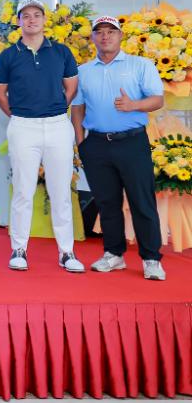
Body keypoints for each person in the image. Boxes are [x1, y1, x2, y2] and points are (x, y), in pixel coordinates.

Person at [70, 16, 166, 281]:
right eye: (99, 32)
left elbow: (157, 99)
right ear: (92, 37)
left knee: (141, 201)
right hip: (96, 144)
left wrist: (133, 105)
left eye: (111, 31)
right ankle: (113, 254)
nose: (105, 36)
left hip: (132, 142)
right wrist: (81, 142)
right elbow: (77, 107)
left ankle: (151, 259)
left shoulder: (140, 65)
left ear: (121, 36)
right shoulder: (83, 71)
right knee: (106, 202)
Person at [0, 0, 83, 273]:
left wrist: (53, 108)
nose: (31, 20)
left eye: (36, 15)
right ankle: (19, 249)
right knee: (23, 190)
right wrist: (20, 114)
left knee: (60, 191)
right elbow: (0, 94)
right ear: (18, 22)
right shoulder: (8, 56)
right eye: (26, 16)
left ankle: (66, 252)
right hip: (23, 126)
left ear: (44, 20)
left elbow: (71, 87)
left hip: (57, 126)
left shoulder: (61, 52)